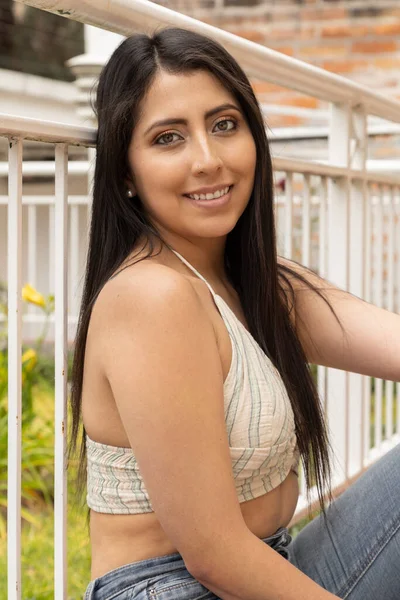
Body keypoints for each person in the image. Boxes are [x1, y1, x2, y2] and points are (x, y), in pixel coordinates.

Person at [69, 27, 400, 600]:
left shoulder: (256, 282)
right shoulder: (152, 297)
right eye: (169, 138)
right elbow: (215, 557)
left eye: (224, 125)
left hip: (274, 560)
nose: (208, 160)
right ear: (125, 173)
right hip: (180, 588)